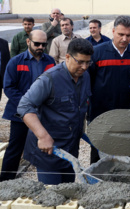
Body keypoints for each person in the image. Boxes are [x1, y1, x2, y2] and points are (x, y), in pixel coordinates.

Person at [17, 38, 93, 184]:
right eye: (80, 62)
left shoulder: (85, 77)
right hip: (49, 150)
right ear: (68, 57)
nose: (84, 67)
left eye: (88, 62)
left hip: (70, 148)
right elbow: (24, 106)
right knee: (51, 196)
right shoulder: (49, 79)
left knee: (68, 191)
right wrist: (42, 135)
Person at [0, 30, 55, 181]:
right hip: (20, 115)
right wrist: (27, 104)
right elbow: (9, 88)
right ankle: (5, 182)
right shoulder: (15, 62)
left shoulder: (50, 62)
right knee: (15, 148)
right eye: (37, 44)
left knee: (45, 148)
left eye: (44, 44)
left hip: (43, 114)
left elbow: (54, 85)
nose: (40, 47)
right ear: (28, 42)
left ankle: (46, 182)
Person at [88, 16, 130, 164]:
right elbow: (88, 81)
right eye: (121, 34)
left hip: (127, 114)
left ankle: (123, 183)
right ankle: (97, 184)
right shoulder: (97, 53)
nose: (125, 39)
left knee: (124, 154)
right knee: (98, 155)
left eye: (128, 35)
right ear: (113, 31)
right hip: (101, 114)